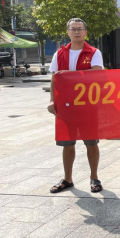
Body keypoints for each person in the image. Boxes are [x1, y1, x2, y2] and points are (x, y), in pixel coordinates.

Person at [48, 18, 104, 194]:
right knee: (67, 143)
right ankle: (67, 179)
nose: (77, 32)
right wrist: (52, 100)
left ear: (86, 32)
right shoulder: (59, 53)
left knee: (91, 143)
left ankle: (94, 177)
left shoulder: (93, 52)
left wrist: (70, 74)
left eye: (80, 29)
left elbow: (97, 72)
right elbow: (54, 78)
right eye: (73, 29)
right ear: (67, 32)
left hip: (88, 105)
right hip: (65, 106)